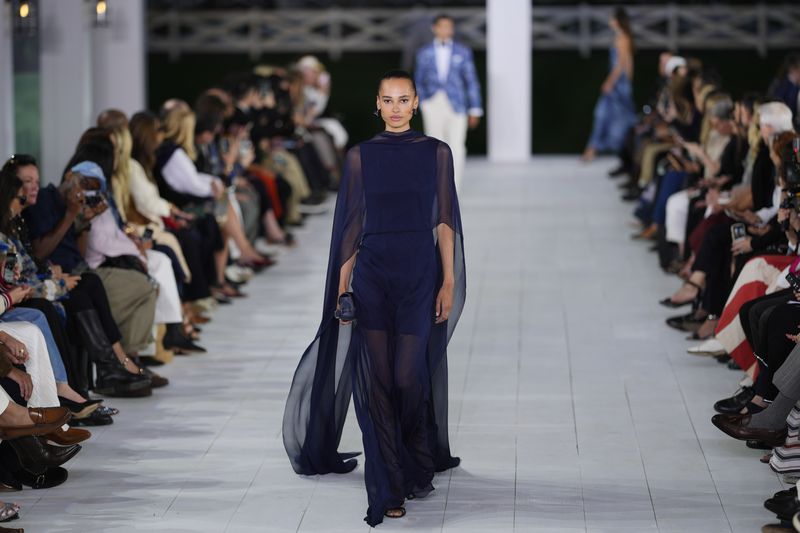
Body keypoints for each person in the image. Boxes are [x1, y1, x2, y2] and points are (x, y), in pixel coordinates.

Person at [283, 70, 465, 526]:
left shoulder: (437, 154)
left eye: (405, 99)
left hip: (420, 274)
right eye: (389, 100)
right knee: (377, 382)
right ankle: (387, 485)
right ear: (377, 105)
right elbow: (350, 227)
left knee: (408, 376)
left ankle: (415, 456)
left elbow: (445, 222)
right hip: (374, 274)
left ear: (417, 103)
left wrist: (449, 281)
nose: (397, 107)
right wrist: (343, 291)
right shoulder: (360, 156)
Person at [414, 13, 483, 189]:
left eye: (449, 27)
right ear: (434, 28)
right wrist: (423, 103)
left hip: (458, 104)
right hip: (433, 103)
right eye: (442, 26)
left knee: (457, 147)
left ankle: (454, 189)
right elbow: (418, 80)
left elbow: (471, 80)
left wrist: (475, 108)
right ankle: (438, 188)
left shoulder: (463, 51)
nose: (446, 30)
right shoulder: (424, 53)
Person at [582, 7, 638, 162]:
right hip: (620, 83)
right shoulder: (622, 37)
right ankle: (593, 149)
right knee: (607, 115)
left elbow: (621, 64)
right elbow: (628, 63)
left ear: (617, 20)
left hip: (618, 84)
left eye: (611, 18)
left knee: (611, 116)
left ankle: (596, 149)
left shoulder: (622, 38)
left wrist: (610, 81)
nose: (609, 21)